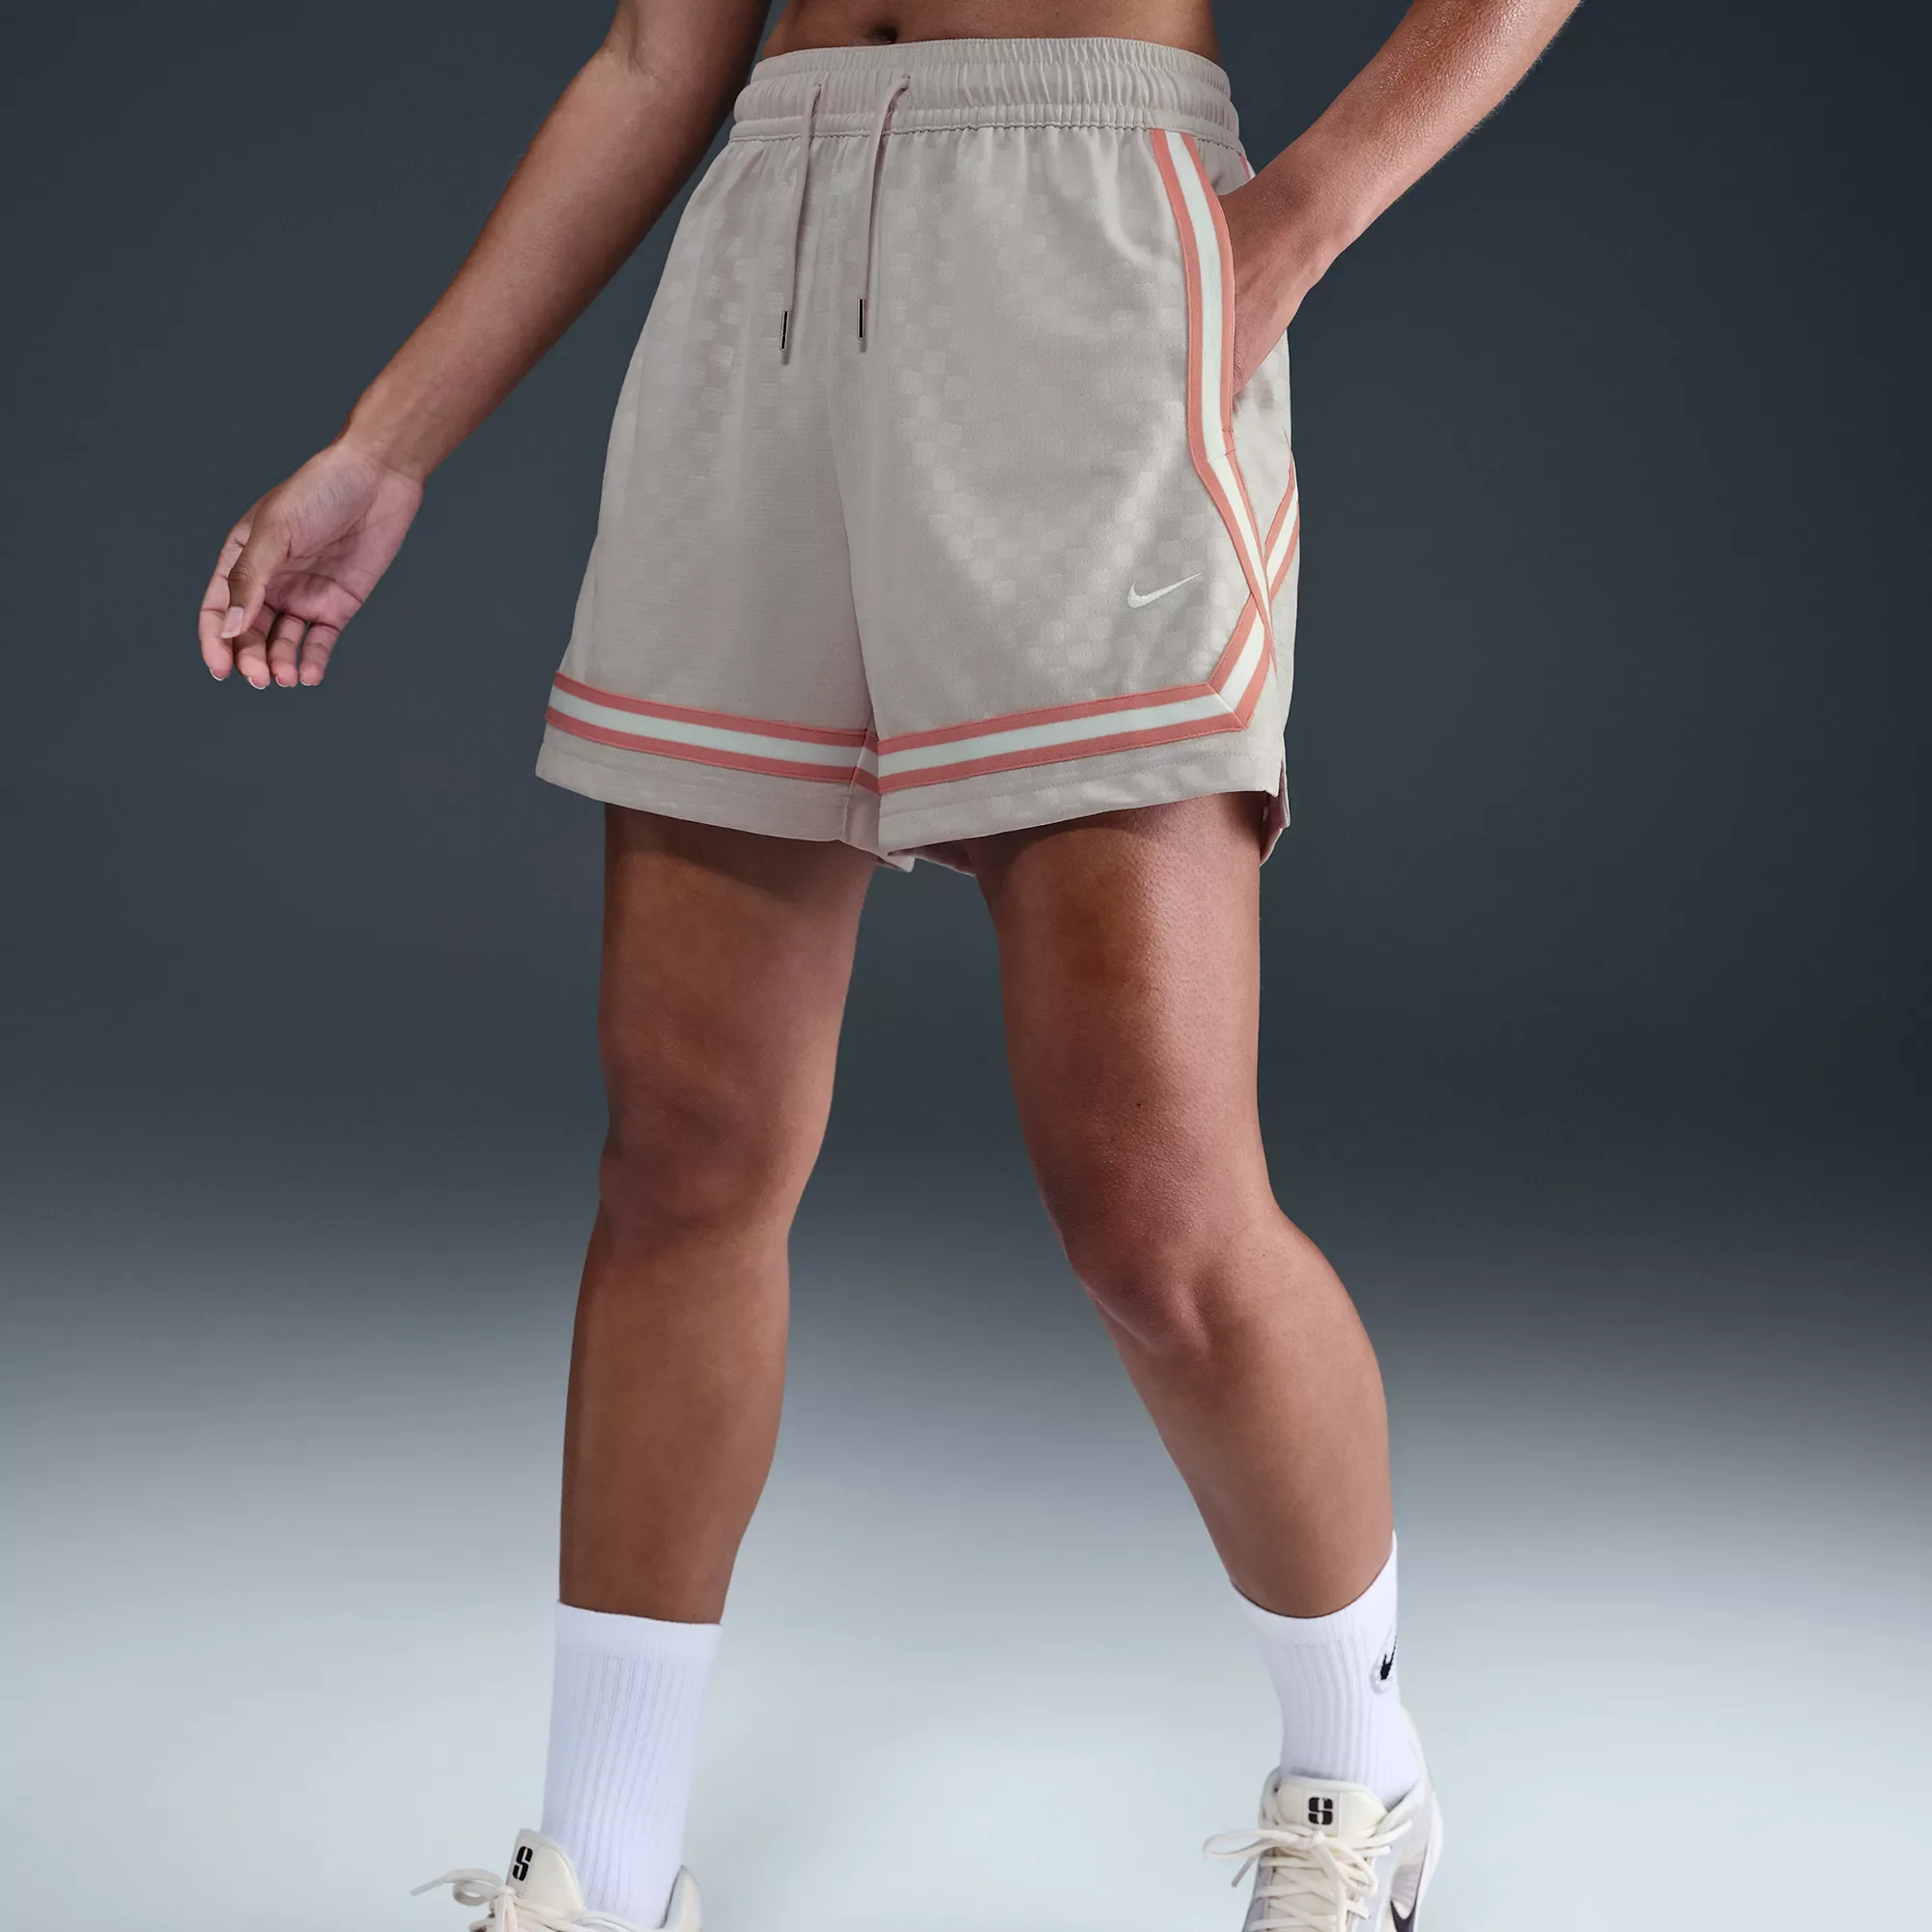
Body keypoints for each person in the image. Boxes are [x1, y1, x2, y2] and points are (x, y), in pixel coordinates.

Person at [198, 0, 1577, 1925]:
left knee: (1152, 1211)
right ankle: (604, 1862)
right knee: (683, 1152)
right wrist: (386, 444)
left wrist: (1302, 214)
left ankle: (1359, 1770)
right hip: (762, 272)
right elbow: (656, 59)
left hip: (1090, 239)